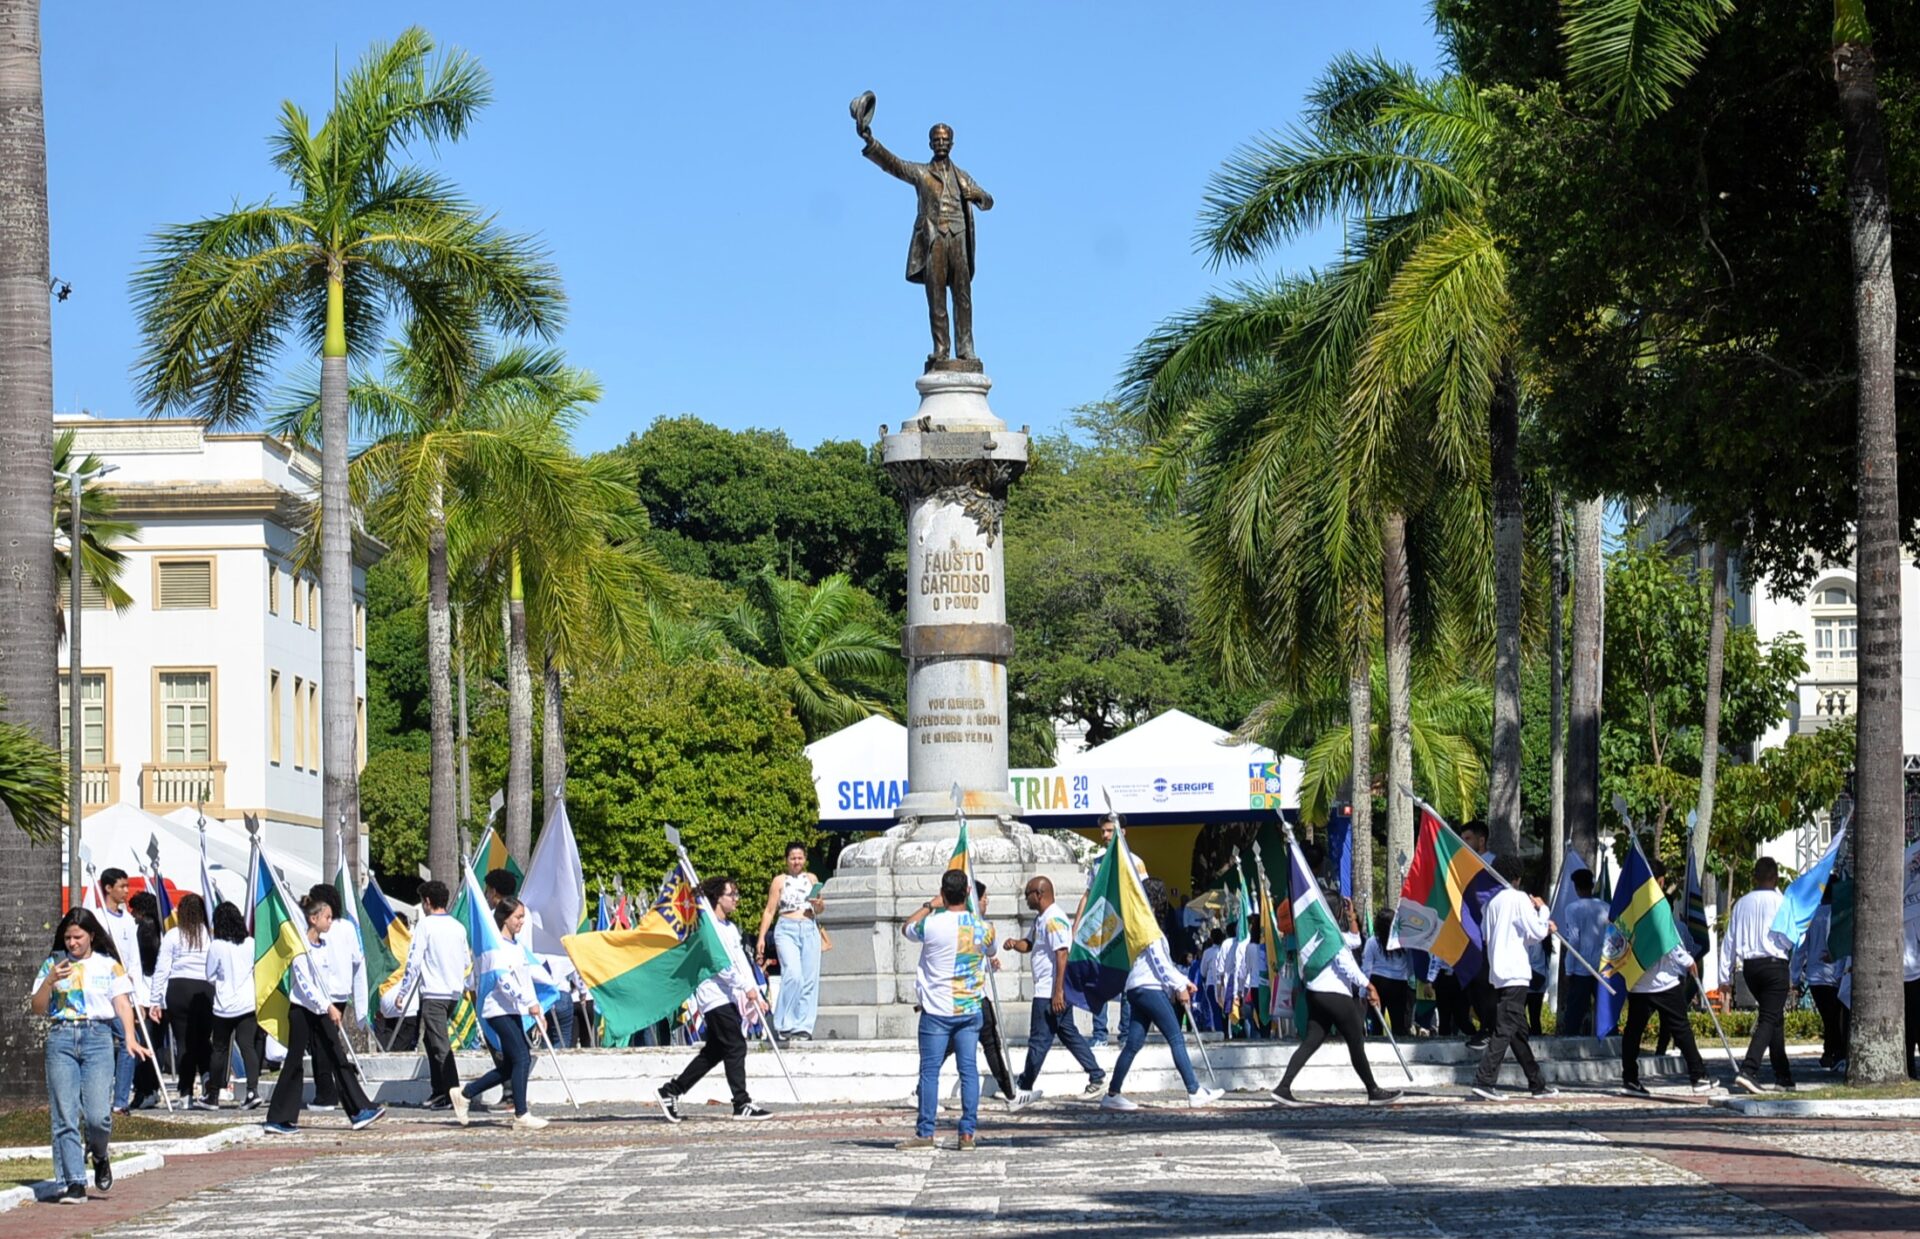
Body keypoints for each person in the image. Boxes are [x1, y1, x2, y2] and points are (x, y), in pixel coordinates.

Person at [855, 104, 994, 365]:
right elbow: (894, 165)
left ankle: (966, 349)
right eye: (936, 140)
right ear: (930, 144)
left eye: (945, 139)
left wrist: (978, 195)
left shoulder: (963, 177)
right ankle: (941, 348)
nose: (941, 143)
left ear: (952, 143)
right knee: (936, 296)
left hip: (958, 237)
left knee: (963, 296)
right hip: (933, 239)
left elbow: (988, 201)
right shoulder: (921, 173)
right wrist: (870, 141)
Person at [32, 909, 153, 1203]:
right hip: (61, 1037)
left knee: (98, 1116)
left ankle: (99, 1153)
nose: (72, 943)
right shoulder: (54, 964)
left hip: (97, 1038)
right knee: (65, 1113)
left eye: (78, 937)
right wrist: (49, 981)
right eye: (68, 938)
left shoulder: (108, 965)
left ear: (91, 936)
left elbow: (122, 1004)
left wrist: (129, 1036)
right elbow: (37, 1006)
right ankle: (74, 1182)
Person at [263, 896, 385, 1134]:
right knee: (294, 1061)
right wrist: (327, 1006)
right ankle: (278, 1117)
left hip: (321, 1008)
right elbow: (305, 984)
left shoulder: (324, 946)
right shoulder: (301, 948)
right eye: (327, 917)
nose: (330, 921)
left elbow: (324, 980)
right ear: (313, 918)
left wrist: (329, 1003)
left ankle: (359, 1109)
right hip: (302, 1009)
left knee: (337, 1055)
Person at [656, 876, 773, 1123]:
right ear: (718, 898)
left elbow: (739, 962)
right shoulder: (709, 927)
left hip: (728, 995)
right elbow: (719, 964)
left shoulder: (730, 928)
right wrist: (744, 987)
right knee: (736, 1045)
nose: (736, 899)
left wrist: (754, 989)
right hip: (713, 995)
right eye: (731, 894)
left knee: (715, 1051)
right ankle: (741, 1103)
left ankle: (672, 1090)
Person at [1101, 879, 1224, 1112]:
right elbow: (1160, 964)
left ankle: (1112, 1094)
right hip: (1150, 988)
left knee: (1133, 1043)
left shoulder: (1139, 925)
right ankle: (1194, 1090)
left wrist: (1184, 981)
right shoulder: (1149, 927)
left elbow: (1162, 963)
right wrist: (1179, 987)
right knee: (1176, 1037)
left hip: (1136, 987)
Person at [897, 869, 994, 1150]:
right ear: (968, 893)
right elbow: (991, 952)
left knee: (929, 1072)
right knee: (968, 1070)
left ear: (943, 893)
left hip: (937, 1008)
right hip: (969, 1006)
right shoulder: (984, 928)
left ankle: (925, 1132)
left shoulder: (930, 924)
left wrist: (929, 906)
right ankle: (967, 1133)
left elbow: (907, 927)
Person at [1273, 898, 1401, 1107]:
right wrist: (1368, 985)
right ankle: (1373, 1090)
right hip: (1335, 995)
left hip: (1315, 993)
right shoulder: (1332, 934)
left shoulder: (1315, 933)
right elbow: (1346, 965)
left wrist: (1352, 918)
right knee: (1356, 1041)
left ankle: (1283, 1087)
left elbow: (1354, 941)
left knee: (1311, 1042)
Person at [450, 897, 551, 1129]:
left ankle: (465, 1093)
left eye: (523, 917)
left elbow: (525, 981)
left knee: (510, 1065)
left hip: (512, 1009)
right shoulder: (496, 949)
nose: (522, 921)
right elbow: (503, 981)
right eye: (518, 917)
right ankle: (521, 1114)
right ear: (505, 918)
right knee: (522, 1058)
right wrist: (528, 1003)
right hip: (496, 1010)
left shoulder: (517, 947)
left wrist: (537, 1009)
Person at [1005, 875, 1104, 1107]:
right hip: (1049, 989)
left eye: (1028, 894)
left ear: (1039, 894)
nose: (1026, 898)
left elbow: (1062, 954)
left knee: (1038, 1040)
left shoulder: (1054, 919)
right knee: (1068, 1034)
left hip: (1049, 991)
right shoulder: (1041, 919)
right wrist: (1014, 943)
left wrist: (1058, 991)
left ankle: (1023, 1087)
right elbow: (1030, 944)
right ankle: (1097, 1075)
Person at [1469, 858, 1558, 1101]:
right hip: (1516, 972)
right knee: (1505, 1028)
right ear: (1517, 878)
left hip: (1498, 973)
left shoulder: (1490, 904)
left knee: (1517, 1032)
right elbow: (1536, 932)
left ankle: (1537, 1083)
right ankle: (1484, 1080)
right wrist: (1544, 912)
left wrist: (1540, 927)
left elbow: (1501, 936)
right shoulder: (1519, 899)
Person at [389, 880, 469, 1109]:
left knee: (440, 1044)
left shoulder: (425, 926)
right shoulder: (458, 927)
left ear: (427, 902)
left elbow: (414, 961)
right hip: (453, 993)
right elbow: (466, 960)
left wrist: (403, 992)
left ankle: (452, 1093)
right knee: (430, 1040)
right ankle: (439, 1089)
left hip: (434, 993)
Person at [1720, 856, 1792, 1094]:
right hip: (1774, 964)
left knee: (1774, 1017)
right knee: (1769, 1018)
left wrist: (1724, 978)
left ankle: (1783, 1076)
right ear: (1775, 878)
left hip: (1750, 968)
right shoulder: (1782, 902)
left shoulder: (1741, 903)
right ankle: (1749, 1070)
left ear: (1754, 878)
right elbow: (1787, 939)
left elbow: (1729, 941)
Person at [1620, 933, 1713, 1097]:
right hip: (1663, 981)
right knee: (1681, 1028)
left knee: (1633, 1032)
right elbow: (1667, 938)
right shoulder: (1660, 914)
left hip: (1638, 980)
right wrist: (1688, 961)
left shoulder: (1631, 915)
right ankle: (1698, 1075)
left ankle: (1629, 1078)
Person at [1082, 815, 1147, 1045]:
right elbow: (1088, 895)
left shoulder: (1135, 862)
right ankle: (1099, 1034)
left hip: (1127, 930)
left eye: (1109, 831)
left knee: (1127, 982)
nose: (1105, 836)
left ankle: (1126, 1033)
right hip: (1102, 930)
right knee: (1098, 980)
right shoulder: (1097, 863)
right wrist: (1078, 926)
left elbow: (1144, 897)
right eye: (1103, 831)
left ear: (1122, 832)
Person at [148, 892, 216, 1109]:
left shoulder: (172, 935)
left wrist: (155, 1000)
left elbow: (161, 968)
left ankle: (185, 1094)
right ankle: (207, 1080)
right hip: (205, 988)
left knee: (183, 1041)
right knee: (203, 1039)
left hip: (178, 989)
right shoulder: (210, 935)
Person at [94, 869, 151, 1116]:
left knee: (131, 1041)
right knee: (102, 1046)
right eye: (122, 886)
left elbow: (134, 960)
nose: (127, 891)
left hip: (122, 993)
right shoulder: (96, 918)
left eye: (128, 886)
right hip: (100, 991)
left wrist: (140, 998)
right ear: (108, 888)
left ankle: (120, 1102)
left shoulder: (128, 920)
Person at [756, 842, 824, 1043]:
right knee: (793, 974)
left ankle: (803, 1026)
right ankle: (784, 1022)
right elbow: (770, 910)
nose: (796, 862)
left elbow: (820, 909)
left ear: (805, 859)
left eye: (800, 858)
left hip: (809, 927)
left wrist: (819, 904)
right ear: (787, 860)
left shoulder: (811, 879)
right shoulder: (779, 881)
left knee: (809, 979)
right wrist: (761, 937)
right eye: (793, 858)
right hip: (787, 927)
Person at [306, 883, 366, 1109]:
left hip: (324, 993)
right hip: (341, 992)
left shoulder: (321, 928)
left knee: (321, 1045)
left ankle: (326, 1094)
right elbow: (357, 958)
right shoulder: (348, 927)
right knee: (329, 1042)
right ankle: (330, 1091)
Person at [204, 901, 263, 1109]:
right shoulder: (250, 943)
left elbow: (209, 974)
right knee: (247, 1046)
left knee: (219, 1049)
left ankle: (213, 1095)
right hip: (247, 1003)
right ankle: (252, 1091)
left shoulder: (217, 946)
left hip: (224, 1005)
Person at [1793, 896, 1848, 1072]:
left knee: (1829, 1018)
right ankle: (1835, 1053)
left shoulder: (1813, 915)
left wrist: (1795, 976)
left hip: (1815, 975)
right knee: (1836, 1018)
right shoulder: (1841, 914)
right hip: (1836, 974)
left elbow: (1801, 948)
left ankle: (1831, 1052)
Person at [1556, 869, 1609, 1037]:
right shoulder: (1605, 907)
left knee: (1574, 1012)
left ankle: (1569, 1041)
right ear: (1592, 886)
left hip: (1581, 967)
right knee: (1605, 1010)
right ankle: (1611, 1041)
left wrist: (1568, 969)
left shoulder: (1573, 909)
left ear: (1576, 888)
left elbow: (1573, 940)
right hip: (1602, 966)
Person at [125, 891, 164, 1109]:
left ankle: (146, 1089)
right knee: (154, 1043)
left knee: (146, 1044)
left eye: (134, 910)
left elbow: (145, 962)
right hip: (157, 995)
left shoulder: (145, 927)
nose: (132, 915)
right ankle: (151, 1088)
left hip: (147, 996)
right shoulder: (161, 926)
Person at [1362, 912, 1413, 1038]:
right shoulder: (1403, 942)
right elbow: (1410, 965)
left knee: (1377, 1022)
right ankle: (1400, 1045)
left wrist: (1364, 990)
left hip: (1377, 982)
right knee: (1399, 1023)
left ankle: (1377, 1044)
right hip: (1399, 983)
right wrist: (1407, 977)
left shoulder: (1372, 942)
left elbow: (1367, 968)